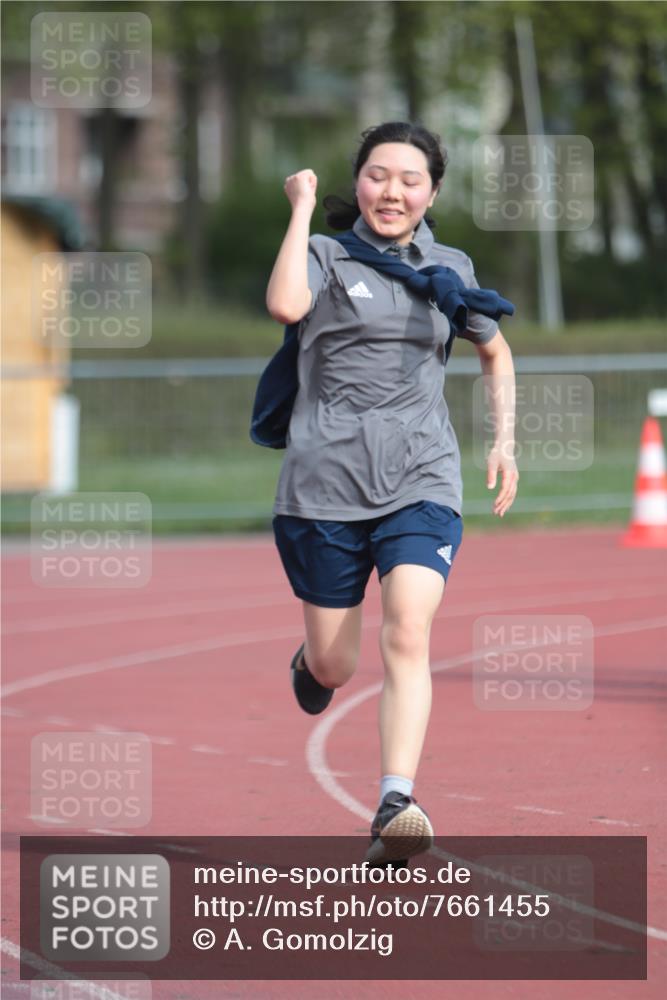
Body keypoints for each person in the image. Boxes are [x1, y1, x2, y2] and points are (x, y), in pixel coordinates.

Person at [265, 121, 518, 866]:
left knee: (409, 628)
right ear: (359, 182)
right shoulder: (323, 254)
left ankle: (394, 800)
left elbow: (493, 350)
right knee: (336, 666)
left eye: (410, 180)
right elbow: (284, 306)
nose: (392, 191)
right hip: (324, 486)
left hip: (420, 477)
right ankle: (311, 666)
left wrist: (502, 440)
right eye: (378, 175)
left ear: (431, 192)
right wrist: (302, 207)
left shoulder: (448, 264)